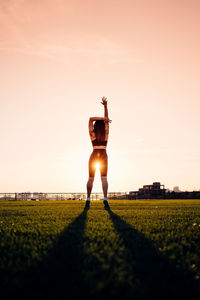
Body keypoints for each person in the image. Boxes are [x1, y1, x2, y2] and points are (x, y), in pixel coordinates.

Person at [85, 97, 112, 209]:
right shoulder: (106, 132)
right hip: (103, 154)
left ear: (95, 126)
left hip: (94, 154)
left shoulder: (93, 134)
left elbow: (90, 119)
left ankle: (88, 199)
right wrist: (105, 107)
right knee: (104, 178)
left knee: (91, 178)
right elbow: (106, 119)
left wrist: (102, 118)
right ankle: (105, 198)